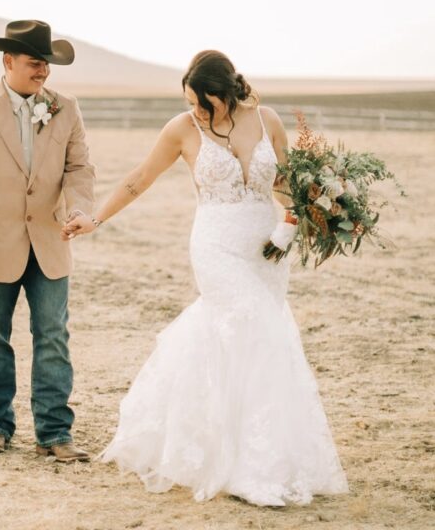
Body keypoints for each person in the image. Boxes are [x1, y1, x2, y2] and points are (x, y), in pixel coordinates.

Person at [63, 49, 349, 506]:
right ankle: (247, 468)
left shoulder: (267, 119)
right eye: (191, 101)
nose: (196, 109)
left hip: (267, 249)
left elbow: (286, 186)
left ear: (224, 93)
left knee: (256, 338)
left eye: (202, 101)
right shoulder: (181, 129)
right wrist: (96, 219)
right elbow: (140, 178)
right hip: (215, 246)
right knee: (253, 325)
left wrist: (302, 218)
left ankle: (258, 451)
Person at [0, 19, 95, 461]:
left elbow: (79, 168)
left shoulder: (66, 107)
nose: (43, 71)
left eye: (46, 64)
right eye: (34, 63)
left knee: (53, 337)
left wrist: (80, 209)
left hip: (50, 240)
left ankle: (54, 432)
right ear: (7, 62)